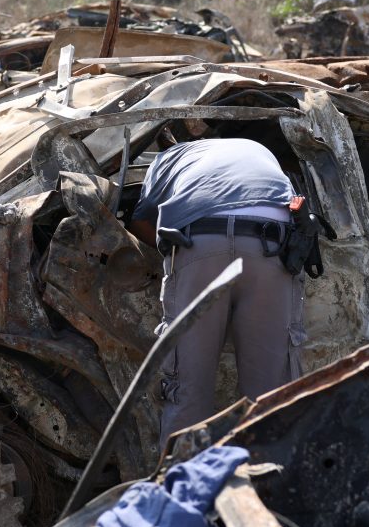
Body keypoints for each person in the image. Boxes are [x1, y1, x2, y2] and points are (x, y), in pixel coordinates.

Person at [127, 135, 305, 449]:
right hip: (271, 243)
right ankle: (271, 474)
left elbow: (140, 219)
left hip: (200, 239)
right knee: (271, 392)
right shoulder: (260, 149)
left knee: (187, 387)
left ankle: (182, 474)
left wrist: (177, 262)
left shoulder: (167, 159)